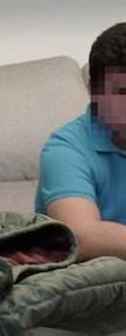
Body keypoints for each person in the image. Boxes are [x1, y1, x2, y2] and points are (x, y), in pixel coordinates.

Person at [37, 24, 126, 259]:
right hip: (95, 281)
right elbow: (80, 236)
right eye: (123, 92)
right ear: (93, 91)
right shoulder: (65, 149)